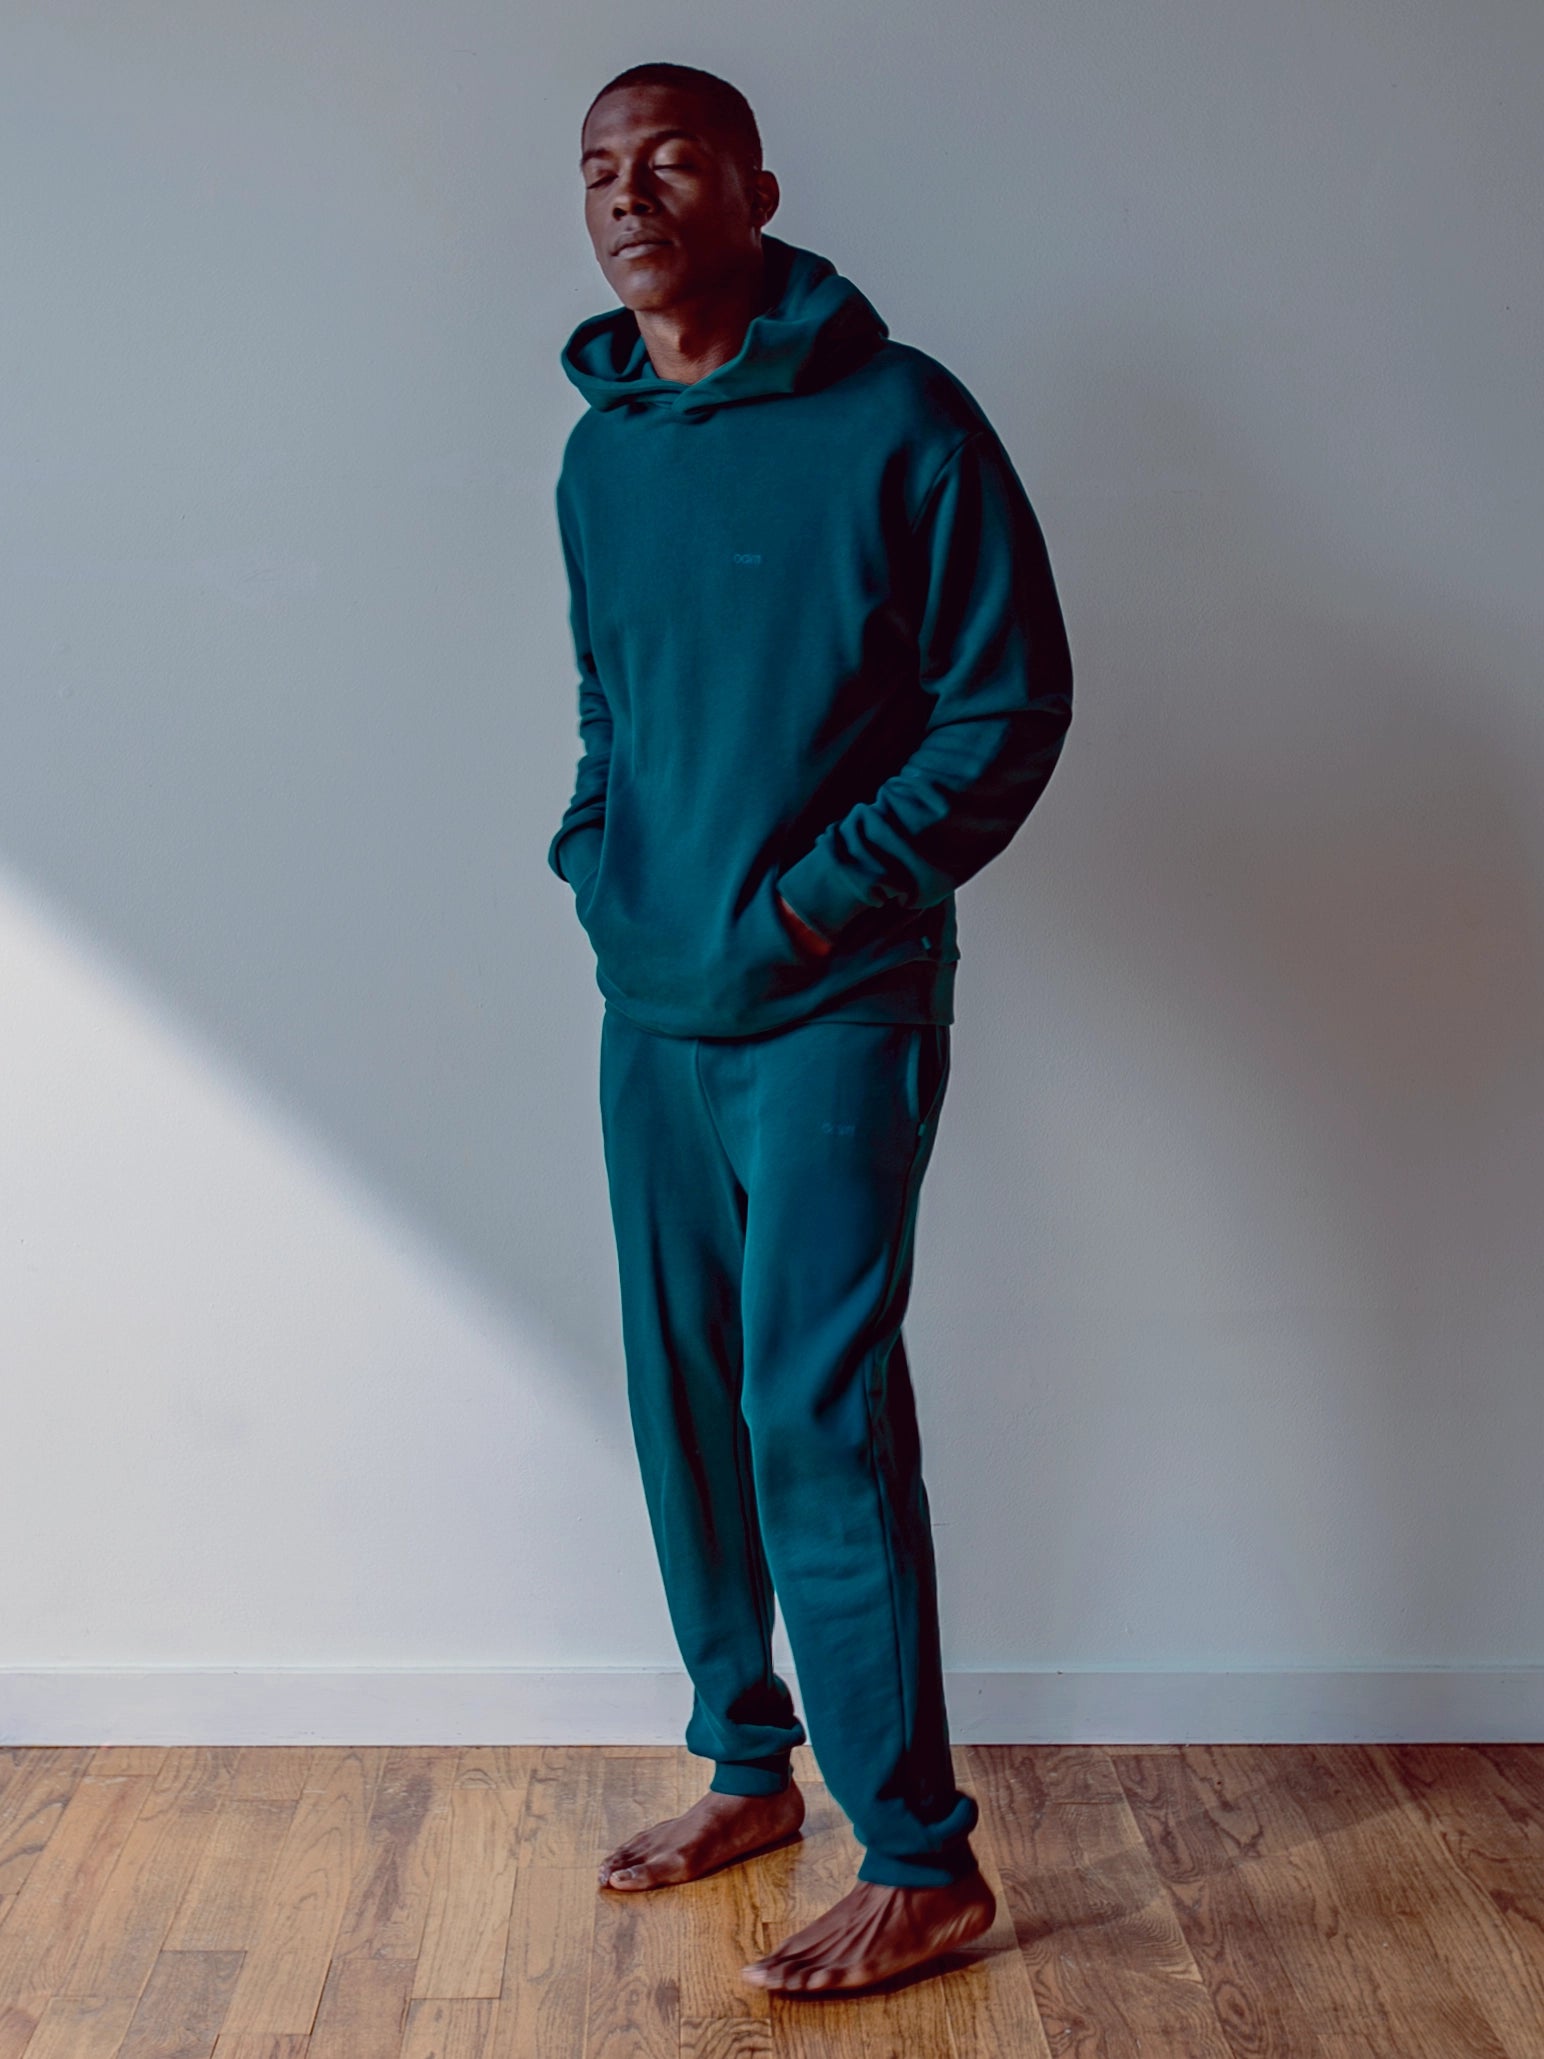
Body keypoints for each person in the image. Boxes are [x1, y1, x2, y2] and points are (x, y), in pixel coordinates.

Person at [548, 60, 1074, 1994]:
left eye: (672, 157)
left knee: (812, 1410)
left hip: (838, 1006)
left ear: (758, 187)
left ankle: (921, 1857)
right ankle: (746, 1768)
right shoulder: (601, 457)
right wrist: (601, 861)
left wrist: (816, 901)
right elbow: (608, 706)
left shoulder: (903, 419)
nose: (631, 193)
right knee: (684, 1396)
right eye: (599, 169)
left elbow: (1006, 708)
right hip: (653, 1005)